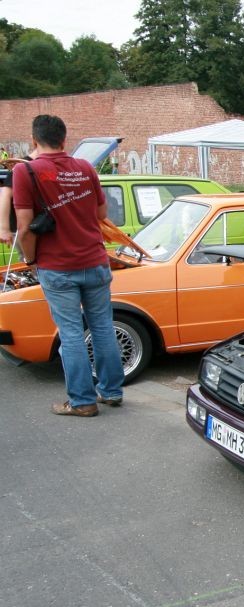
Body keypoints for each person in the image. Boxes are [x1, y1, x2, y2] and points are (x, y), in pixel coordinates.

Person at [12, 115, 124, 417]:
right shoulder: (85, 167)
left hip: (57, 266)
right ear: (64, 139)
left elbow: (24, 228)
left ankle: (82, 401)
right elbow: (101, 213)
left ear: (34, 140)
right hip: (95, 262)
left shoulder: (25, 171)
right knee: (102, 327)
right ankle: (111, 391)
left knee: (71, 333)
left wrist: (31, 260)